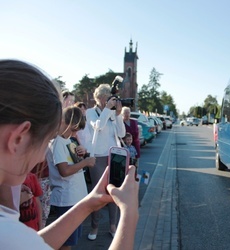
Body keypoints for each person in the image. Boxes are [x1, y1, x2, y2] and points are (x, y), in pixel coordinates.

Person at [0, 59, 139, 249]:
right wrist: (130, 214)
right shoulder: (7, 233)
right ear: (18, 139)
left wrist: (87, 205)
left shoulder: (7, 217)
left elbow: (34, 244)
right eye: (45, 141)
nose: (42, 158)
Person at [47, 106, 96, 249]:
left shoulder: (67, 140)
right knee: (66, 242)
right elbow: (64, 171)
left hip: (74, 196)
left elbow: (71, 162)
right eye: (74, 129)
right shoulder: (58, 142)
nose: (75, 133)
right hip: (67, 198)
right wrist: (85, 162)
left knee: (71, 240)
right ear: (66, 123)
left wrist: (80, 154)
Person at [86, 83, 126, 240]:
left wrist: (117, 115)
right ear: (102, 98)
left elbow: (122, 133)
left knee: (113, 190)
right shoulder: (91, 113)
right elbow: (98, 126)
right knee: (98, 192)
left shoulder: (111, 113)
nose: (112, 100)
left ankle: (112, 225)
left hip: (114, 155)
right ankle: (95, 226)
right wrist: (108, 111)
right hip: (98, 156)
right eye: (109, 98)